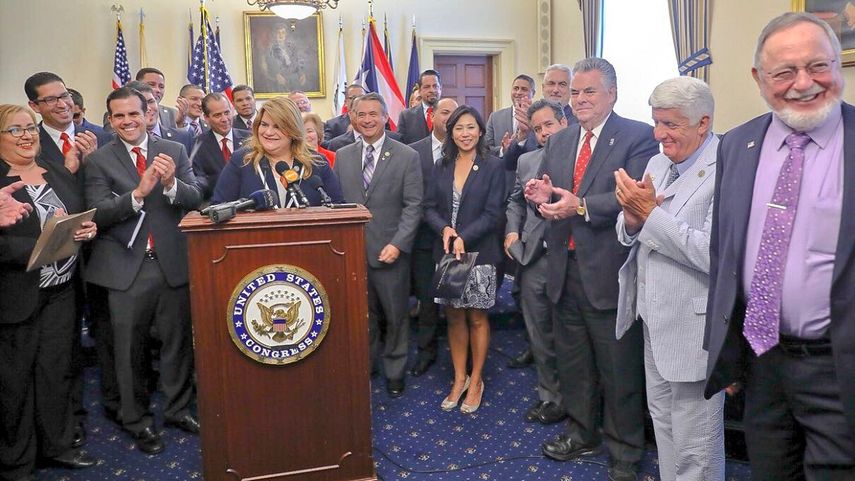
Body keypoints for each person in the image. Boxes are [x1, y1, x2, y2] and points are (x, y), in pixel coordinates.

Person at [704, 12, 855, 480]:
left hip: (839, 367)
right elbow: (725, 252)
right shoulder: (738, 144)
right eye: (785, 72)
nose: (804, 83)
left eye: (818, 67)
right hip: (761, 364)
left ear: (838, 65)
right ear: (759, 79)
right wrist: (727, 351)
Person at [524, 57, 658, 481]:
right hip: (563, 269)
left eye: (589, 92)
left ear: (612, 94)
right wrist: (545, 194)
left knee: (619, 370)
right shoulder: (561, 142)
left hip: (608, 272)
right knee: (575, 363)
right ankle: (582, 433)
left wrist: (579, 205)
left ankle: (625, 451)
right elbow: (561, 194)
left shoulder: (637, 136)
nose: (579, 100)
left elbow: (632, 196)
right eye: (575, 93)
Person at [615, 77, 724, 481]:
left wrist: (648, 216)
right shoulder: (658, 163)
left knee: (698, 443)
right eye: (655, 121)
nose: (658, 134)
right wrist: (629, 219)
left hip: (694, 327)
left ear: (703, 123)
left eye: (670, 124)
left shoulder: (726, 165)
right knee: (663, 424)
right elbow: (632, 232)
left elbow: (714, 256)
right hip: (653, 319)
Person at [84, 87, 202, 455]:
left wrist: (171, 185)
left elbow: (196, 197)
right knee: (128, 351)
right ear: (110, 120)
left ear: (147, 112)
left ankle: (178, 409)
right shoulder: (99, 161)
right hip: (125, 270)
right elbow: (98, 212)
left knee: (177, 344)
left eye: (133, 114)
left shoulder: (175, 151)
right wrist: (138, 193)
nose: (127, 121)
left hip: (171, 264)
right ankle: (136, 420)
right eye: (118, 116)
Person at [0, 104, 98, 480]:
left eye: (30, 128)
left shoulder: (56, 171)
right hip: (15, 298)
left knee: (56, 373)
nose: (26, 135)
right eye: (15, 130)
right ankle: (16, 462)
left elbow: (76, 215)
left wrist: (85, 231)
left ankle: (57, 446)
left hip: (61, 292)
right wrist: (38, 248)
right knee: (15, 382)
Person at [334, 92, 423, 398]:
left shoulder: (407, 155)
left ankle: (395, 372)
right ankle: (366, 367)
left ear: (386, 117)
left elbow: (414, 206)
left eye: (374, 114)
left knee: (396, 318)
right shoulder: (342, 156)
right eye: (362, 114)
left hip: (390, 254)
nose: (368, 119)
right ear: (353, 119)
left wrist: (398, 244)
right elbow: (336, 206)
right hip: (351, 254)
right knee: (361, 317)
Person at [424, 105, 505, 414]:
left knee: (476, 317)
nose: (465, 133)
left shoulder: (493, 166)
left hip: (481, 254)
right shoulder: (441, 165)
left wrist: (464, 236)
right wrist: (444, 228)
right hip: (447, 256)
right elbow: (428, 207)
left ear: (480, 131)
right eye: (459, 128)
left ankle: (477, 381)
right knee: (454, 317)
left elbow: (494, 213)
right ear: (451, 131)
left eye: (471, 127)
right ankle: (459, 378)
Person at [504, 99, 569, 425]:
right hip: (534, 257)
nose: (545, 132)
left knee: (570, 334)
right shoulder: (527, 160)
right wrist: (512, 233)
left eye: (549, 125)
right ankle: (551, 396)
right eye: (539, 128)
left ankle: (581, 398)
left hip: (572, 259)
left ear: (563, 123)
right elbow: (514, 202)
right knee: (539, 332)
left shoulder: (581, 157)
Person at [212, 97, 343, 208]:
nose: (268, 132)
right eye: (264, 124)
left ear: (293, 130)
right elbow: (220, 206)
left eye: (277, 126)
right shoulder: (242, 160)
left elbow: (338, 206)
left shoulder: (317, 162)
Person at [407, 97, 459, 378]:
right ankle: (426, 351)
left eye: (454, 113)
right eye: (444, 112)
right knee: (427, 300)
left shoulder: (467, 150)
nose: (449, 118)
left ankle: (461, 357)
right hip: (424, 239)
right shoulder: (413, 152)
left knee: (458, 301)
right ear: (433, 117)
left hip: (460, 238)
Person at [23, 72, 103, 167]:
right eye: (51, 99)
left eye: (65, 96)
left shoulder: (101, 138)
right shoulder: (28, 145)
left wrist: (93, 164)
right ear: (34, 106)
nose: (63, 105)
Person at [191, 93, 251, 200]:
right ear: (206, 118)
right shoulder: (197, 144)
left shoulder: (250, 139)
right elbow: (199, 182)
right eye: (217, 115)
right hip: (217, 206)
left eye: (227, 113)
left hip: (250, 205)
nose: (224, 119)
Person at [485, 74, 537, 156]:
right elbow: (486, 148)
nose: (518, 92)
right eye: (516, 88)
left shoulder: (539, 118)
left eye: (524, 89)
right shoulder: (495, 117)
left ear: (533, 93)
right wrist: (503, 150)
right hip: (502, 166)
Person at [398, 69, 442, 144]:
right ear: (419, 90)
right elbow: (400, 145)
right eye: (427, 87)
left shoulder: (451, 114)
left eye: (435, 86)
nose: (432, 90)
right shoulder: (406, 116)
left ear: (440, 88)